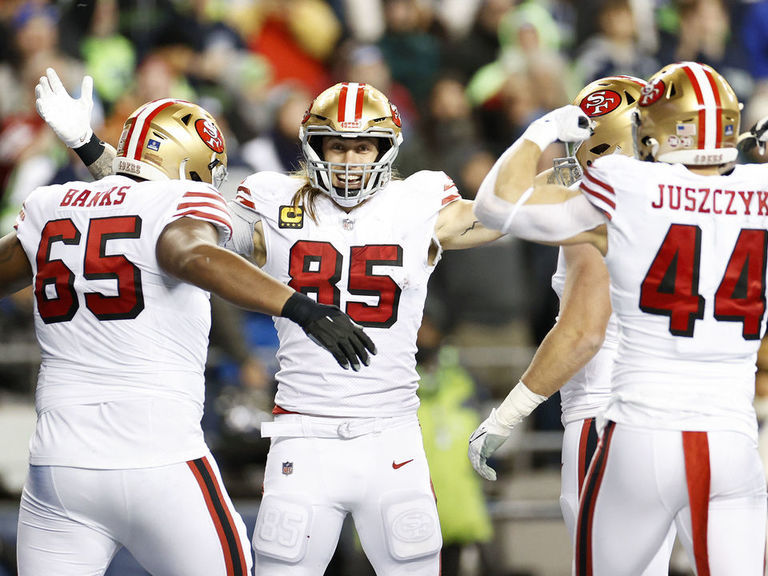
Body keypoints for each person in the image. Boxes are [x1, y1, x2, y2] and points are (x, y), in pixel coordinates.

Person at [35, 72, 505, 575]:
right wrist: (91, 150)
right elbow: (160, 201)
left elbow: (513, 214)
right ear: (310, 145)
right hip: (302, 436)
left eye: (362, 147)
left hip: (392, 435)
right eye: (334, 146)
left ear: (385, 149)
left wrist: (580, 174)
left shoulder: (421, 201)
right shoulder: (270, 201)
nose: (347, 161)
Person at [9, 92, 375, 576]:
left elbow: (124, 202)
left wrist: (87, 146)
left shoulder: (51, 205)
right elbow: (188, 253)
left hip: (58, 467)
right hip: (159, 458)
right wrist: (301, 306)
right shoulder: (181, 199)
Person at [470, 60, 768, 574]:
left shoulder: (624, 191)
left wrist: (542, 128)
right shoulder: (759, 189)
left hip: (633, 426)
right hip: (732, 435)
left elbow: (497, 205)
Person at [468, 74, 676, 574]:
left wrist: (506, 415)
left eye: (583, 136)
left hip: (606, 418)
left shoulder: (605, 205)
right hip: (670, 418)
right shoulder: (679, 197)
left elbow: (584, 329)